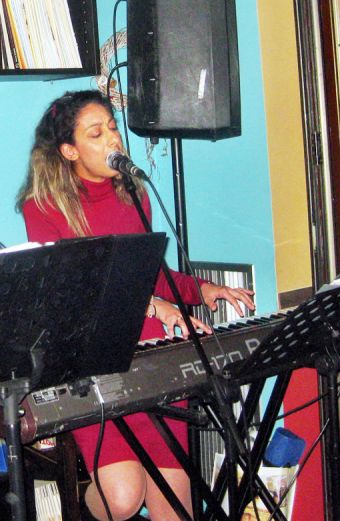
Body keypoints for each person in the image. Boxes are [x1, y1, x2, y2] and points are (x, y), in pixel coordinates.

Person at [16, 90, 255, 521]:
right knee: (124, 498)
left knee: (175, 508)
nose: (113, 139)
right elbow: (72, 291)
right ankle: (75, 508)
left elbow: (152, 275)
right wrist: (154, 306)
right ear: (69, 150)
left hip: (152, 359)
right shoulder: (45, 207)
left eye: (112, 128)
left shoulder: (133, 194)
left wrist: (203, 290)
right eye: (96, 133)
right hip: (95, 366)